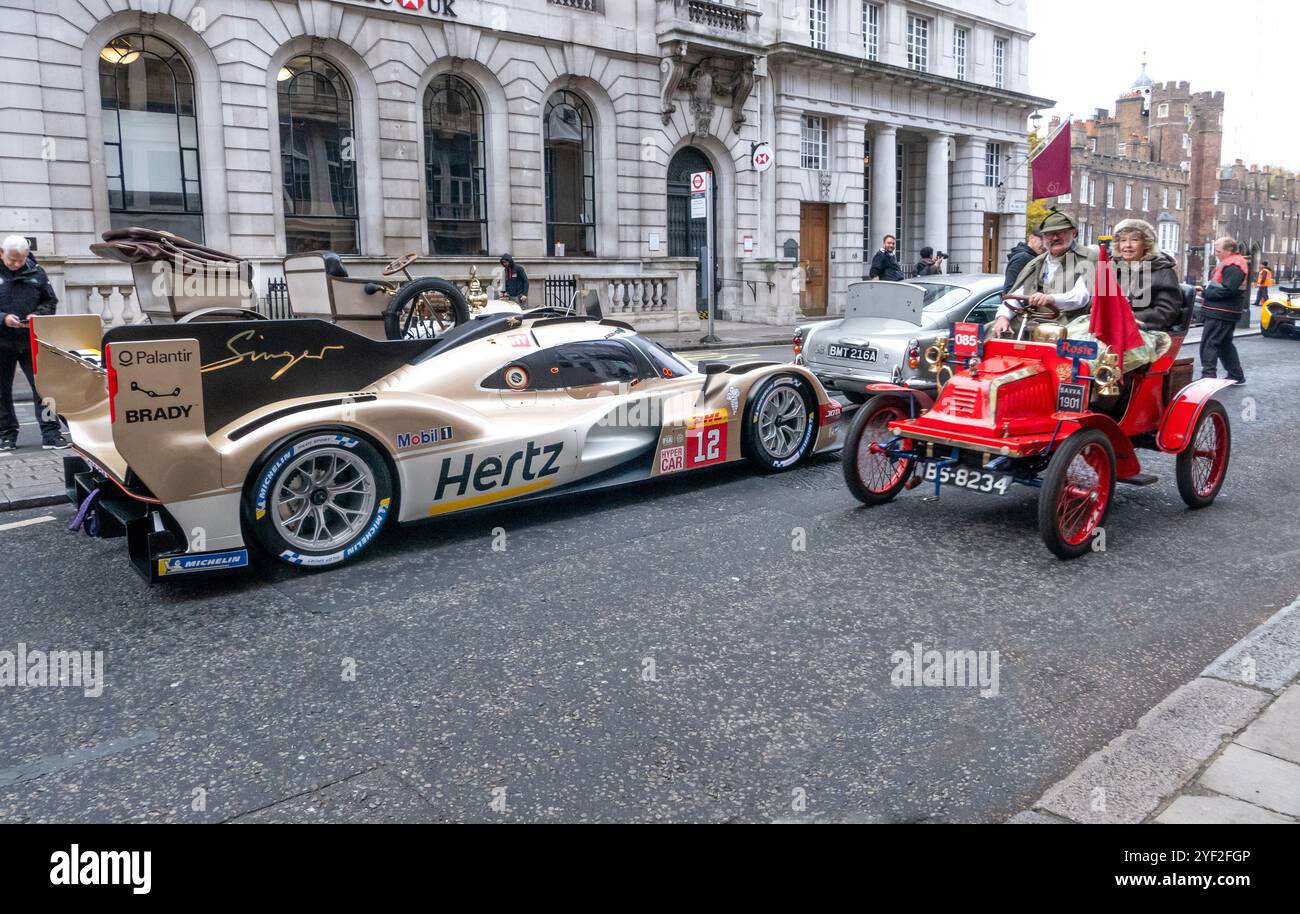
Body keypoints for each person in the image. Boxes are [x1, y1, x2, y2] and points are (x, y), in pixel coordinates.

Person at [0, 236, 67, 450]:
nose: (17, 264)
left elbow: (50, 301)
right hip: (2, 342)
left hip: (31, 341)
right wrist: (3, 318)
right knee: (1, 391)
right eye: (12, 260)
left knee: (45, 388)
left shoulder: (37, 272)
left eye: (21, 260)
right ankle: (6, 435)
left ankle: (51, 434)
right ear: (1, 253)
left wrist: (37, 315)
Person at [992, 209, 1097, 337]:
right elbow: (1019, 292)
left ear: (1073, 233)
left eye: (1061, 232)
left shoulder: (1088, 258)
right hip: (1033, 321)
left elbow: (1080, 296)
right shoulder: (1037, 263)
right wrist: (1003, 316)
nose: (1054, 237)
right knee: (991, 332)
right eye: (1049, 234)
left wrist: (1051, 299)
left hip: (1069, 324)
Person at [1111, 218, 1182, 331]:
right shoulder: (1112, 268)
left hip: (1143, 331)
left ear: (1146, 244)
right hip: (1112, 326)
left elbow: (1165, 312)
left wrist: (1132, 318)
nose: (1127, 245)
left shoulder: (1163, 271)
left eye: (1134, 240)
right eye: (1123, 240)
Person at [1196, 237, 1247, 385]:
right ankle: (1236, 375)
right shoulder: (1233, 263)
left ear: (1229, 250)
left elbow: (1228, 290)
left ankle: (1208, 375)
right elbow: (1223, 287)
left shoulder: (1233, 266)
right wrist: (1205, 290)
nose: (1216, 253)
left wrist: (1205, 293)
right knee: (1224, 344)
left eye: (1218, 251)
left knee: (1209, 343)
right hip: (1225, 311)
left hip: (1221, 311)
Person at [1003, 230, 1045, 294]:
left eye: (1047, 241)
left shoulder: (1036, 257)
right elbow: (1009, 289)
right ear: (1031, 238)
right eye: (1042, 240)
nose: (1044, 245)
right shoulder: (1022, 258)